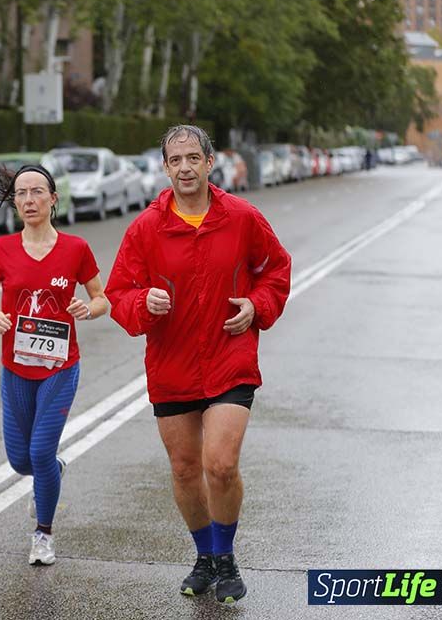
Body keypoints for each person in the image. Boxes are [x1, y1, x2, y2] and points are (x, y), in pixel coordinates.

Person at [104, 126, 291, 604]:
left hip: (230, 359)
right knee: (186, 469)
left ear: (210, 163)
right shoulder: (146, 229)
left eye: (193, 158)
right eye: (175, 160)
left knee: (221, 465)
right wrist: (145, 301)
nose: (185, 167)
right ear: (165, 168)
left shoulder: (242, 218)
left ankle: (225, 557)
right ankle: (204, 556)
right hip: (173, 365)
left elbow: (276, 269)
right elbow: (119, 295)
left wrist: (256, 305)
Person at [0, 163, 109, 566]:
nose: (29, 200)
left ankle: (43, 535)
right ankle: (53, 469)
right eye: (21, 194)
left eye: (37, 192)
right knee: (22, 461)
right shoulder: (0, 249)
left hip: (59, 368)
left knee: (39, 450)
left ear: (53, 199)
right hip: (15, 368)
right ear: (14, 202)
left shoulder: (76, 249)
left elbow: (103, 298)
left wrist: (88, 308)